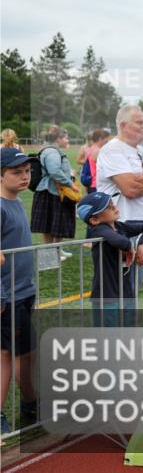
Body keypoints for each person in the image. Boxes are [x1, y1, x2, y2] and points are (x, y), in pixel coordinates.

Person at [97, 105, 143, 288]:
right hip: (121, 228)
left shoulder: (141, 150)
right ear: (123, 125)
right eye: (139, 122)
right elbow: (130, 190)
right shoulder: (112, 150)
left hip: (142, 228)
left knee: (134, 287)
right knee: (120, 289)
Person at [77, 192, 143, 327]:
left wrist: (142, 245)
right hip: (106, 295)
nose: (114, 208)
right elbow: (119, 240)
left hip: (125, 292)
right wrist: (130, 246)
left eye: (113, 204)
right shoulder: (99, 230)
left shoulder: (119, 226)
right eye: (108, 207)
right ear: (94, 220)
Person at [1, 148, 38, 434]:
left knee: (26, 354)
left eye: (27, 171)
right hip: (6, 296)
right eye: (17, 172)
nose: (25, 177)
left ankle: (30, 402)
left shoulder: (16, 202)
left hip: (24, 292)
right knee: (5, 358)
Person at [30, 125, 79, 261]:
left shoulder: (54, 150)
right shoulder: (51, 152)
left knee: (58, 222)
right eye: (66, 137)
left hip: (55, 191)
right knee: (49, 224)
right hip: (50, 192)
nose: (68, 140)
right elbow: (54, 172)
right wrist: (71, 184)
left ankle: (58, 250)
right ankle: (49, 254)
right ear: (59, 139)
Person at [81, 129, 111, 194]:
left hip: (92, 183)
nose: (108, 141)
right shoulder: (97, 151)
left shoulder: (89, 149)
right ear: (100, 139)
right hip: (96, 184)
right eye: (106, 139)